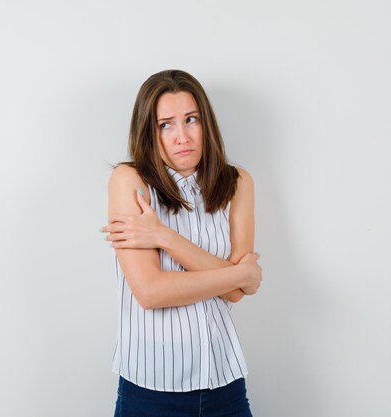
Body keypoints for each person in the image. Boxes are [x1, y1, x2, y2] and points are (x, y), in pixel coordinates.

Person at [100, 69, 262, 417]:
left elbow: (236, 292)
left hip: (225, 383)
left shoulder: (237, 183)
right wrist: (237, 275)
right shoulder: (130, 181)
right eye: (166, 125)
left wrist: (163, 236)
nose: (182, 136)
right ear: (149, 131)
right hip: (152, 390)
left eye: (191, 120)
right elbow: (151, 291)